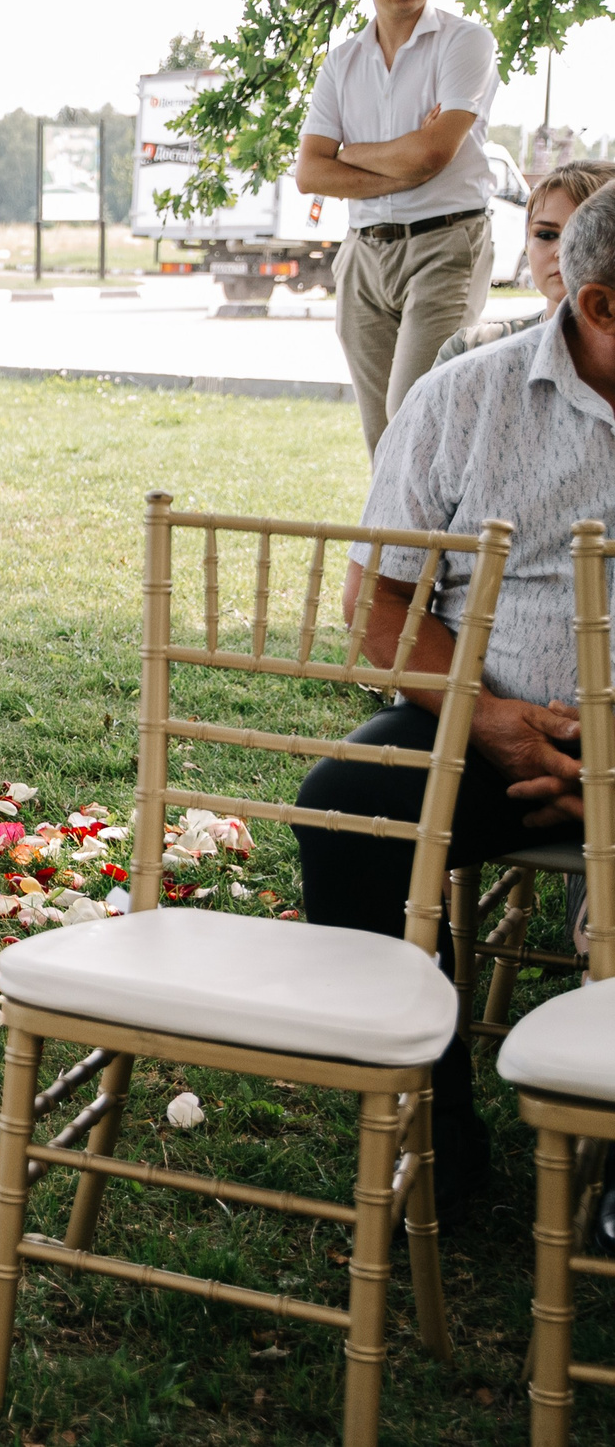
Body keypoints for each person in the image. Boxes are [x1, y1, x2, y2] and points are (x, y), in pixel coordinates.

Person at [289, 182, 615, 1221]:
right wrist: (490, 719)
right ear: (599, 308)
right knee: (344, 809)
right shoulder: (462, 399)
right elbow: (382, 611)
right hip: (493, 727)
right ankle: (433, 1133)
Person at [292, 0, 502, 454]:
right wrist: (401, 162)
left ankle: (442, 540)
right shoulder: (341, 63)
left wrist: (354, 155)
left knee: (415, 414)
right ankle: (395, 542)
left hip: (445, 244)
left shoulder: (466, 43)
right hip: (364, 254)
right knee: (381, 434)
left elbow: (433, 154)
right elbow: (310, 172)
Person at [429, 159, 615, 367]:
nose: (562, 252)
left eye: (585, 234)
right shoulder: (469, 351)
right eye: (546, 235)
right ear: (527, 242)